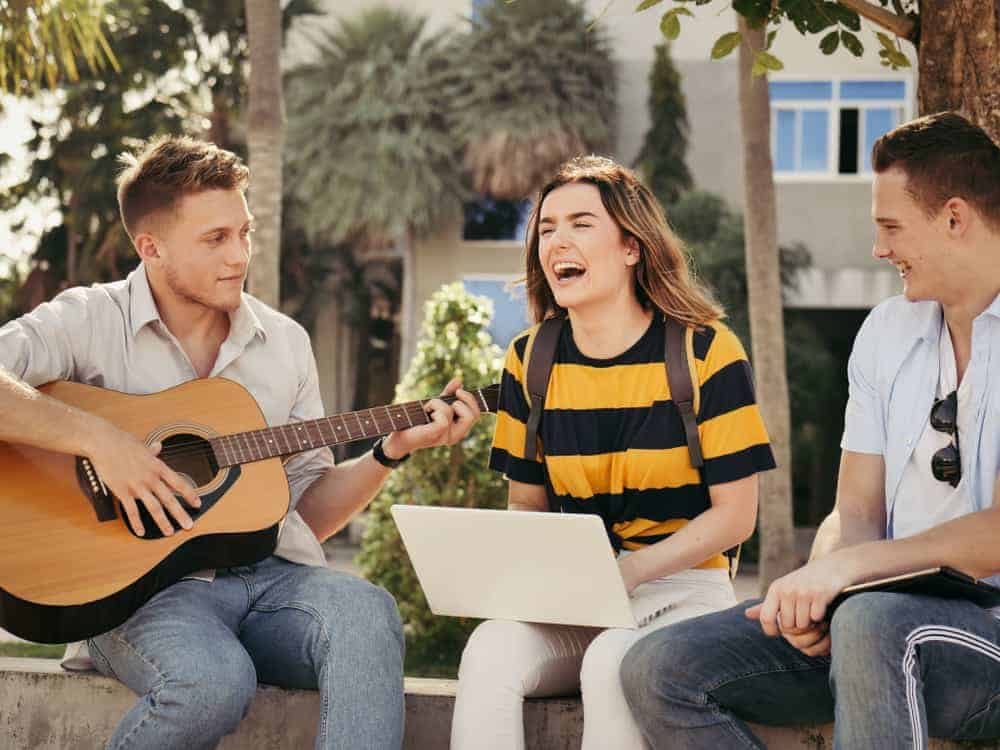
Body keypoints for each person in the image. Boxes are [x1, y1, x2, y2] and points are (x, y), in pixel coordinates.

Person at [0, 136, 483, 750]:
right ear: (151, 247)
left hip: (274, 583)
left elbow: (303, 508)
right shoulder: (88, 320)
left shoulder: (283, 343)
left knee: (366, 612)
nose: (239, 256)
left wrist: (390, 451)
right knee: (213, 681)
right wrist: (102, 442)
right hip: (134, 594)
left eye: (244, 233)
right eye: (215, 239)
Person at [621, 111, 1000, 749]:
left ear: (955, 219)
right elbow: (855, 505)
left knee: (875, 622)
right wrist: (827, 590)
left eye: (890, 227)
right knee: (659, 668)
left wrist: (850, 577)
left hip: (984, 641)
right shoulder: (886, 331)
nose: (879, 249)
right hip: (873, 620)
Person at [449, 155, 776, 750]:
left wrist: (626, 572)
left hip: (685, 590)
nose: (557, 242)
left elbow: (736, 516)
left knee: (611, 666)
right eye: (546, 228)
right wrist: (527, 570)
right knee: (490, 650)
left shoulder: (707, 350)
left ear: (631, 247)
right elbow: (527, 502)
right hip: (579, 593)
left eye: (580, 223)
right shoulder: (530, 357)